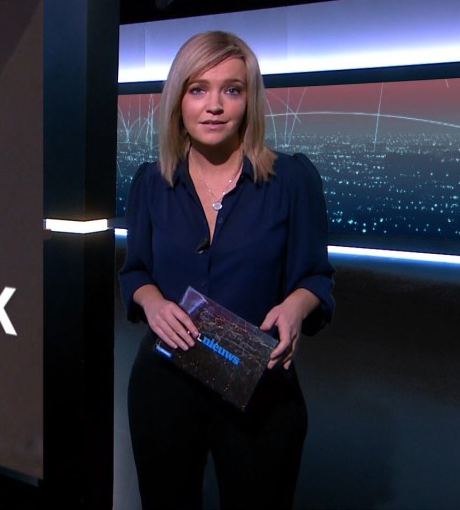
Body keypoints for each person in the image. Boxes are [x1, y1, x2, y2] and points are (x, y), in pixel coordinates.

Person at [119, 30, 335, 509]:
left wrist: (296, 306)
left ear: (249, 100)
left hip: (258, 384)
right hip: (165, 383)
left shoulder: (291, 180)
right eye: (198, 89)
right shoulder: (151, 183)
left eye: (231, 90)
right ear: (178, 101)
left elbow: (317, 278)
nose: (214, 105)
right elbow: (134, 273)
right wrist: (152, 303)